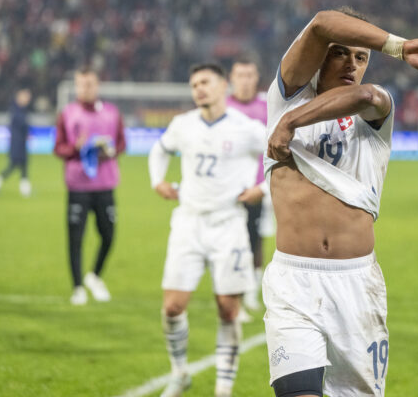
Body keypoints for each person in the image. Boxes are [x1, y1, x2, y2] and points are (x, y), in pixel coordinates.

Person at [264, 8, 418, 396]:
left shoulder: (376, 110)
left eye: (361, 56)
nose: (351, 64)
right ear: (319, 55)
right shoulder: (285, 98)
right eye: (339, 53)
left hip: (357, 286)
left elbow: (365, 95)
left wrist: (290, 125)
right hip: (293, 284)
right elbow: (322, 22)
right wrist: (401, 46)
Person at [148, 64, 266, 397]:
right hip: (188, 221)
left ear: (223, 86)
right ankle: (179, 373)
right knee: (172, 306)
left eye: (205, 82)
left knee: (228, 309)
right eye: (194, 84)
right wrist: (157, 181)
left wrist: (263, 189)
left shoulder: (247, 128)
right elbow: (160, 149)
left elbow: (282, 155)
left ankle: (223, 390)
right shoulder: (182, 125)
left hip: (229, 224)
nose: (198, 88)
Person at [53, 68, 126, 305]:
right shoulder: (67, 113)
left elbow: (122, 143)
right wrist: (76, 148)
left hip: (105, 183)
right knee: (75, 237)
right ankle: (77, 288)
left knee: (109, 234)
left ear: (98, 85)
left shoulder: (112, 113)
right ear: (75, 87)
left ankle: (94, 275)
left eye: (90, 84)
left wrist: (110, 151)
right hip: (78, 185)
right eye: (81, 85)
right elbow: (58, 148)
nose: (86, 89)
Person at [226, 59, 268, 312]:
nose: (244, 80)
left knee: (256, 239)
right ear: (232, 78)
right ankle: (235, 293)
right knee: (231, 243)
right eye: (240, 74)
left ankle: (252, 289)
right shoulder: (222, 107)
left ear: (256, 77)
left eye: (249, 75)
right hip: (228, 188)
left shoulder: (267, 107)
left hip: (259, 188)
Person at [0, 88, 32, 196]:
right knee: (13, 166)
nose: (27, 99)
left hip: (21, 144)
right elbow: (22, 125)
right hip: (17, 144)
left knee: (23, 166)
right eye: (25, 96)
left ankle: (25, 188)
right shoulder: (16, 110)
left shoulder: (22, 110)